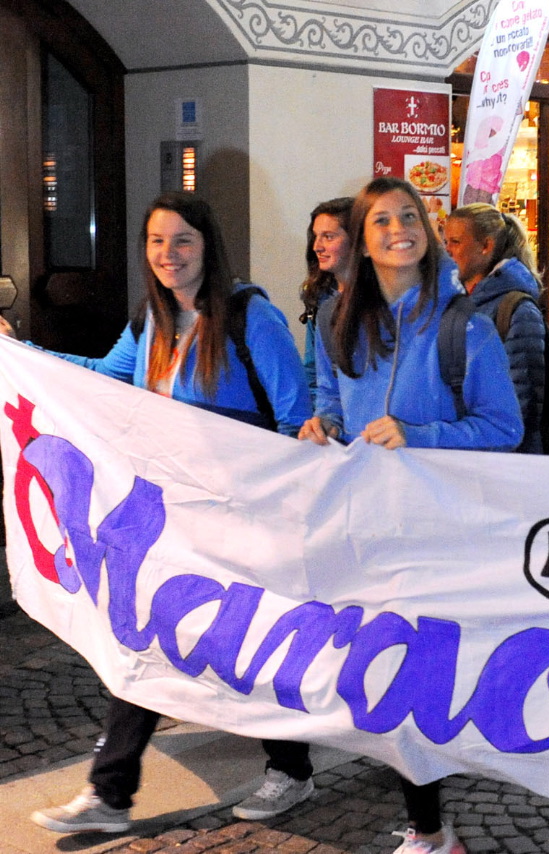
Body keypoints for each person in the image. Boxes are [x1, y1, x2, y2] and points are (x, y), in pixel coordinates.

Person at [22, 191, 311, 834]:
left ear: (208, 246)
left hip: (242, 521)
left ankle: (291, 769)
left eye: (182, 240)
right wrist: (23, 355)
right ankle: (110, 792)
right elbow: (101, 378)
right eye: (157, 241)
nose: (169, 254)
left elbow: (296, 418)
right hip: (170, 522)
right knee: (144, 640)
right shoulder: (151, 321)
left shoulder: (251, 318)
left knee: (248, 645)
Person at [302, 176, 521, 854]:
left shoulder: (465, 325)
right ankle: (430, 826)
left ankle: (429, 829)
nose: (399, 229)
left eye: (409, 216)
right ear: (362, 243)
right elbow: (330, 398)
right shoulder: (333, 322)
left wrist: (419, 434)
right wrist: (322, 424)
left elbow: (504, 426)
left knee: (411, 674)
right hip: (368, 527)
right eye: (382, 221)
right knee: (389, 674)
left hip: (439, 531)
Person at [228, 197, 360, 822]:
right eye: (317, 236)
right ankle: (293, 757)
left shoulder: (415, 312)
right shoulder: (326, 305)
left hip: (374, 480)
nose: (320, 245)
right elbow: (320, 387)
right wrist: (318, 428)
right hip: (328, 468)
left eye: (332, 234)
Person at [444, 203, 546, 452]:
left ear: (486, 246)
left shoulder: (517, 309)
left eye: (455, 242)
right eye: (445, 242)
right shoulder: (459, 301)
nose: (447, 251)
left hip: (504, 458)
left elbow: (523, 401)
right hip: (470, 448)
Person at [299, 197, 357, 400]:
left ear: (357, 241)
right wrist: (319, 413)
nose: (317, 246)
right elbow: (313, 370)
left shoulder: (384, 299)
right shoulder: (319, 298)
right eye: (316, 236)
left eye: (328, 237)